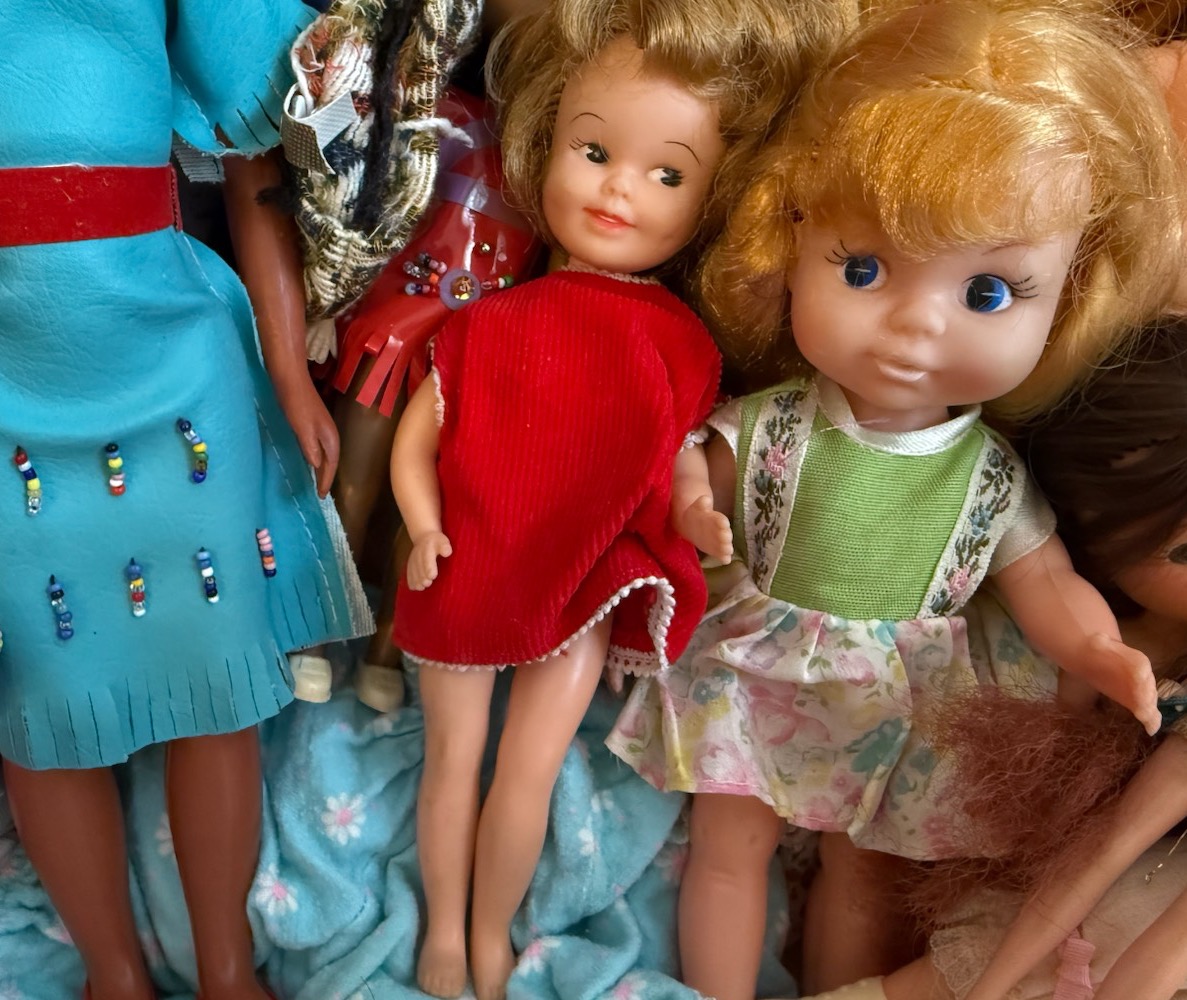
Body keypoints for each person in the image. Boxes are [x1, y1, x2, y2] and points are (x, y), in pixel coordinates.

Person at [605, 2, 1187, 997]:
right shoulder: (779, 422)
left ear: (1069, 297)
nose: (915, 326)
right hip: (759, 665)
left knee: (862, 875)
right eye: (863, 269)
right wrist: (692, 505)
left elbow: (1042, 578)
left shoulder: (988, 477)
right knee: (727, 849)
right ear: (790, 241)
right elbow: (694, 463)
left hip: (901, 695)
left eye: (988, 292)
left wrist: (1096, 648)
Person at [387, 1, 855, 997]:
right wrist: (423, 527)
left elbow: (675, 461)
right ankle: (441, 936)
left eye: (667, 174)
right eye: (592, 151)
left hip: (586, 577)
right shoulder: (483, 325)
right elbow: (416, 439)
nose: (617, 189)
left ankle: (488, 932)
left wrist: (694, 516)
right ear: (544, 141)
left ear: (713, 198)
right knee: (450, 759)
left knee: (528, 766)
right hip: (464, 562)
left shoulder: (678, 343)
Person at [0, 3, 369, 998]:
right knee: (40, 694)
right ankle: (112, 974)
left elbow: (257, 166)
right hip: (9, 394)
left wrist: (288, 372)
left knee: (217, 679)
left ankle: (226, 969)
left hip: (171, 364)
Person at [797, 323, 1187, 1000]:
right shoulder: (1038, 581)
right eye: (1178, 555)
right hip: (947, 749)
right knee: (862, 866)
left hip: (1042, 839)